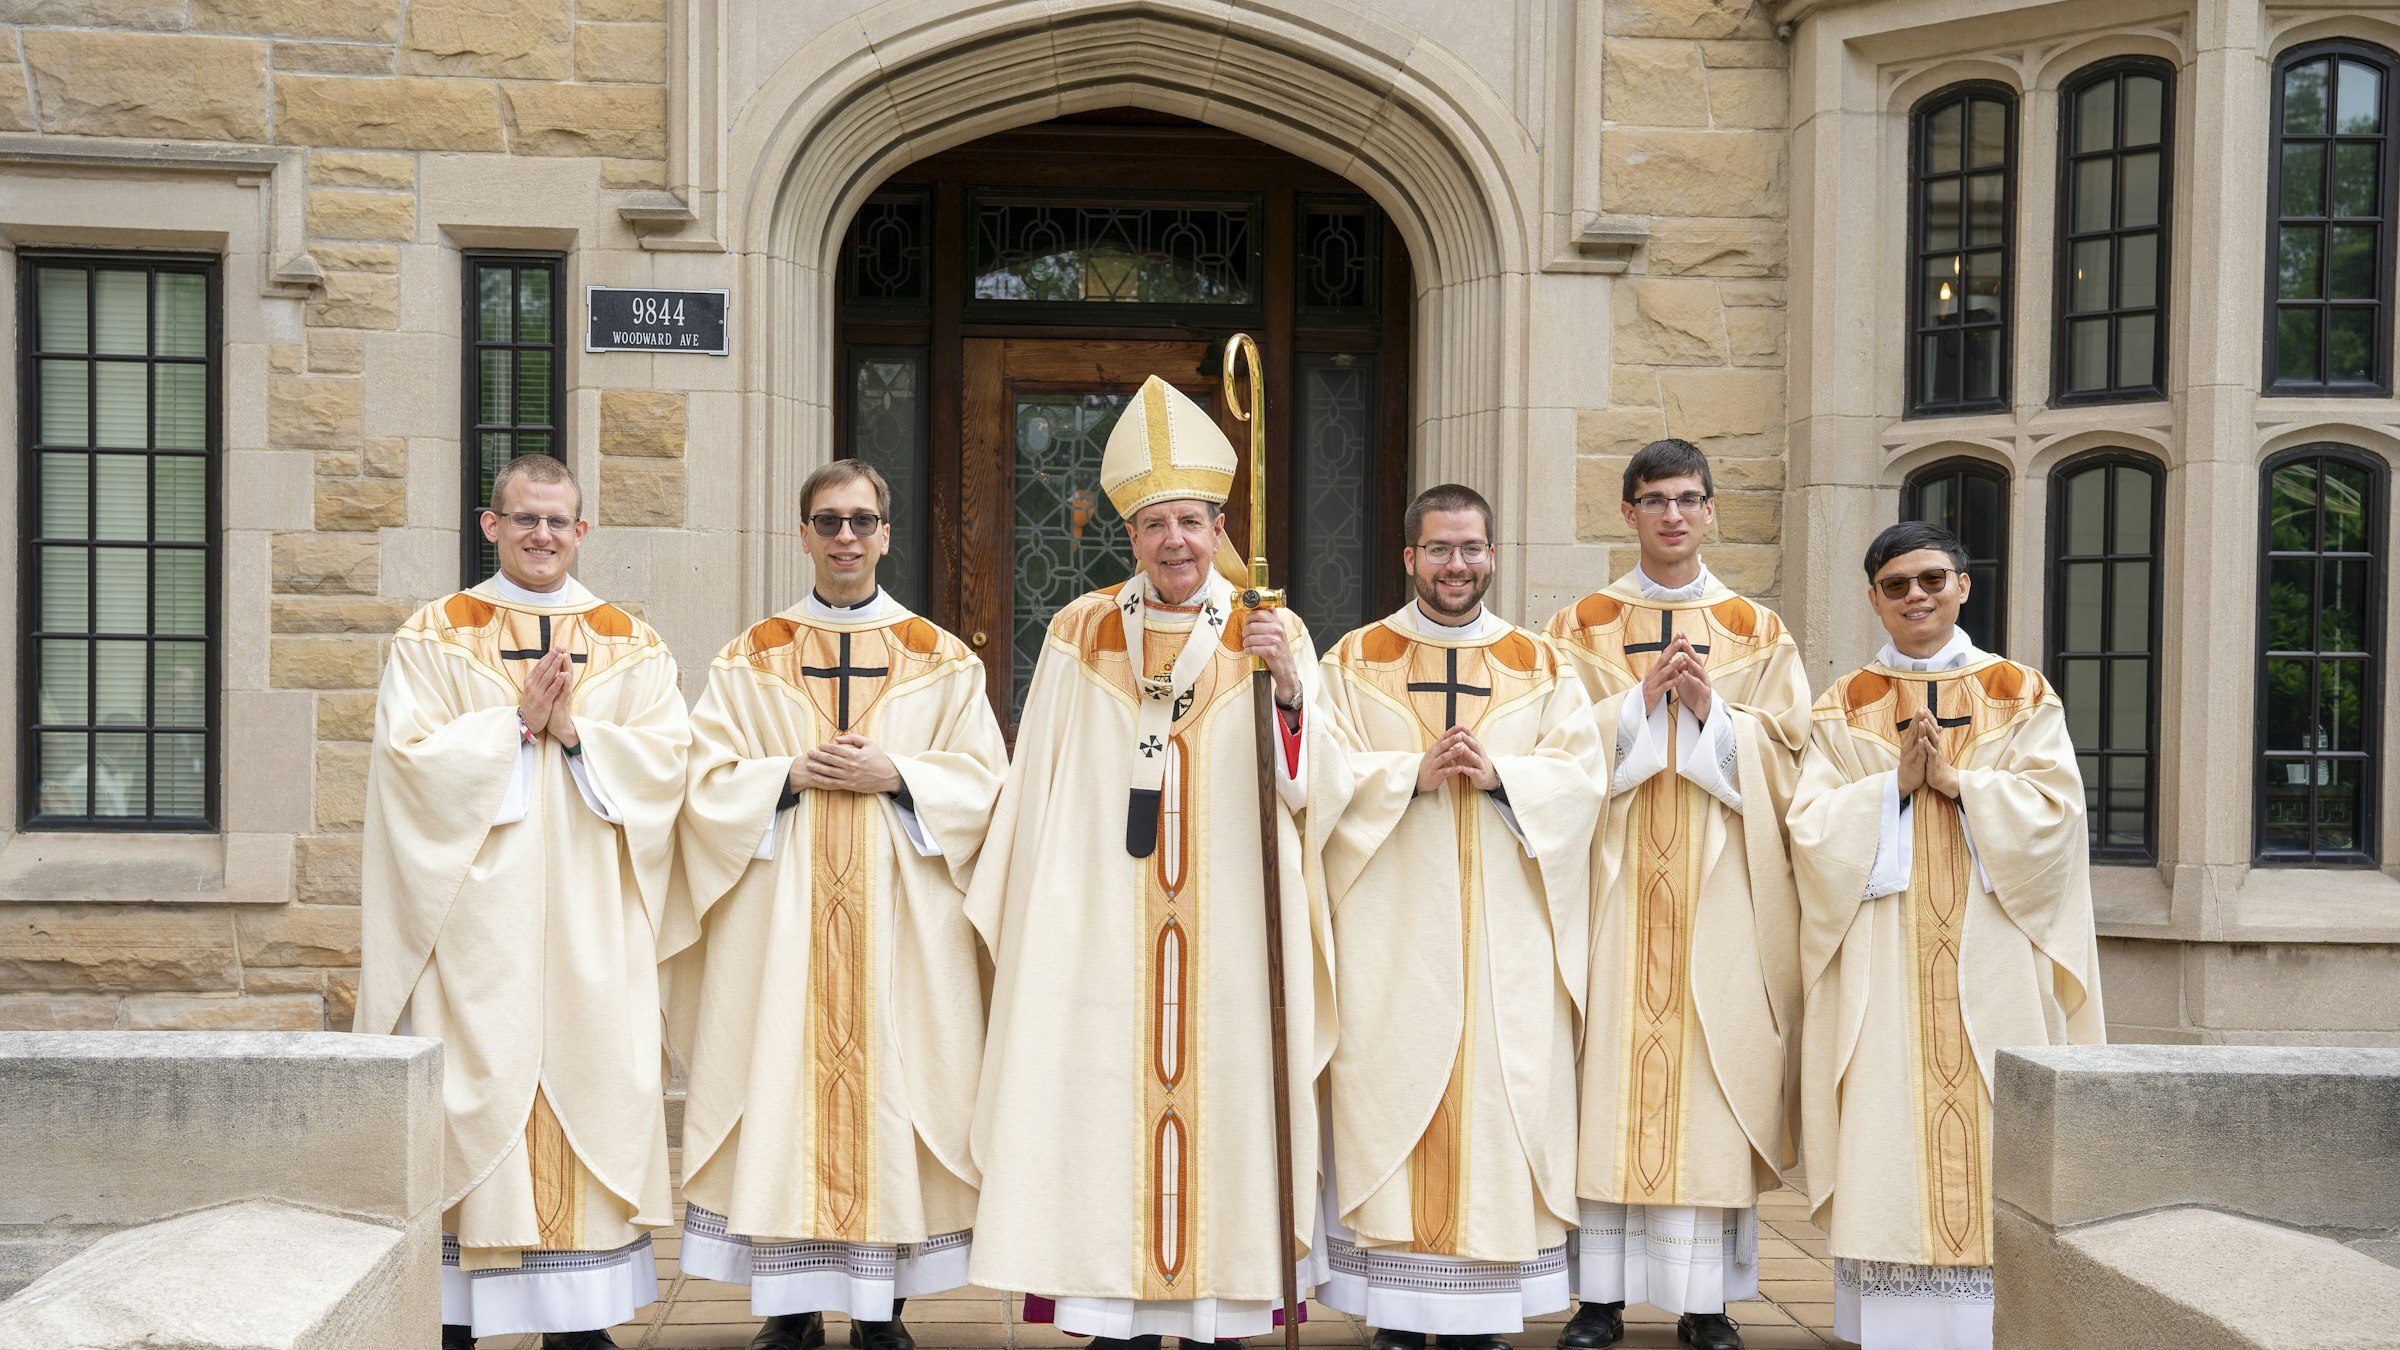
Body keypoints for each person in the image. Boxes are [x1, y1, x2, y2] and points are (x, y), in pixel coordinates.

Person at [963, 375, 1328, 1349]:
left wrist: (1287, 686)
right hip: (1107, 934)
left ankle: (1216, 1311)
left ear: (1219, 526)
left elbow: (1308, 785)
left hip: (1233, 938)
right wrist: (1049, 916)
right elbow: (1045, 785)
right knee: (1099, 1117)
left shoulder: (1269, 626)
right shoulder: (1082, 632)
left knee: (1229, 1112)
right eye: (1155, 523)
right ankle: (1111, 1313)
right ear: (1129, 534)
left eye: (1192, 522)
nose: (1175, 541)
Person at [661, 460, 1008, 1350]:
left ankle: (881, 1311)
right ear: (804, 533)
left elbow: (988, 787)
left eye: (861, 521)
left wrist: (900, 775)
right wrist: (783, 773)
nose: (845, 537)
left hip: (903, 932)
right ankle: (787, 1310)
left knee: (897, 1095)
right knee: (776, 1090)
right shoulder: (749, 657)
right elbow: (700, 785)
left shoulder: (942, 658)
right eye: (827, 522)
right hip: (780, 932)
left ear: (887, 534)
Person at [359, 453, 691, 1349]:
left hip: (591, 920)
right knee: (472, 1091)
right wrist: (511, 725)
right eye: (525, 518)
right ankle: (454, 1316)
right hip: (471, 929)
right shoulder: (434, 635)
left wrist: (574, 730)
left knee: (593, 1076)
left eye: (559, 520)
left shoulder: (631, 639)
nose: (542, 534)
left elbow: (669, 768)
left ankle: (576, 1324)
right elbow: (407, 765)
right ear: (490, 525)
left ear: (583, 532)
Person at [1788, 521, 2105, 1350]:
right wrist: (1891, 789)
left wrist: (1958, 784)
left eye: (1932, 579)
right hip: (1883, 953)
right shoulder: (1846, 702)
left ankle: (1988, 1324)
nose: (1916, 596)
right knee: (1888, 1117)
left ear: (1964, 585)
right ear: (1874, 601)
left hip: (1994, 944)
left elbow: (2058, 815)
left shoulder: (2019, 691)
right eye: (1896, 586)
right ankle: (1890, 1325)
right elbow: (1811, 829)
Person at [1311, 485, 1601, 1350]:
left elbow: (1583, 780)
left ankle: (1481, 1317)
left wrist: (1506, 775)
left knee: (1504, 1101)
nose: (1457, 566)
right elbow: (1314, 777)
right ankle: (1396, 1313)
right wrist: (1411, 775)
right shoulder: (1353, 661)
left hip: (1507, 936)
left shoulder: (1541, 663)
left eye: (1471, 548)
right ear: (1410, 559)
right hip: (1392, 933)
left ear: (1492, 554)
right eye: (1439, 550)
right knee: (1389, 1086)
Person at [1542, 440, 1812, 1350]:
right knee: (1605, 1072)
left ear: (1710, 510)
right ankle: (1601, 1299)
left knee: (1712, 1074)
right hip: (1614, 887)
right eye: (1654, 500)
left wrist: (1712, 716)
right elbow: (1550, 750)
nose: (1671, 515)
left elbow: (1793, 754)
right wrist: (1630, 709)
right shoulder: (1576, 625)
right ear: (1627, 512)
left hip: (1718, 889)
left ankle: (1706, 1305)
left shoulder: (1756, 628)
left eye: (1688, 499)